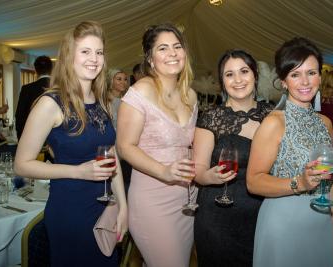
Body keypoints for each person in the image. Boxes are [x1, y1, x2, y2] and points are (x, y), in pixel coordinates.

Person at [14, 21, 127, 267]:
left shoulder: (102, 102)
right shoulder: (51, 103)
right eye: (85, 51)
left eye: (99, 52)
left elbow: (112, 155)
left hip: (104, 209)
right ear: (69, 56)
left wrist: (123, 207)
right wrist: (78, 171)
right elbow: (21, 165)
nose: (93, 58)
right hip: (71, 212)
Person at [246, 37, 333, 267]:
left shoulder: (326, 123)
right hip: (283, 224)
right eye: (295, 74)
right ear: (283, 81)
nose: (305, 81)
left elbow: (330, 181)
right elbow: (253, 182)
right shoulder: (274, 123)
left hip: (320, 222)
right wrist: (299, 183)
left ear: (320, 77)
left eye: (311, 73)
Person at [116, 23, 197, 267]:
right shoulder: (140, 91)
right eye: (163, 48)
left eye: (177, 46)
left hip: (188, 198)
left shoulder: (190, 95)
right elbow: (124, 146)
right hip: (153, 200)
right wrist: (164, 171)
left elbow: (189, 146)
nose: (172, 53)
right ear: (150, 58)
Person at [193, 49, 273, 267]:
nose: (238, 80)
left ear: (255, 75)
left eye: (244, 71)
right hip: (218, 218)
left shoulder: (274, 116)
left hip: (264, 216)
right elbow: (198, 171)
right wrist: (209, 176)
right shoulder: (212, 117)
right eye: (229, 74)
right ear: (222, 81)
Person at [15, 55, 53, 140]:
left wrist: (21, 139)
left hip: (32, 137)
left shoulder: (27, 89)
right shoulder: (60, 88)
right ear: (51, 70)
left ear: (35, 70)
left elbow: (20, 116)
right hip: (55, 138)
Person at [107, 68, 132, 194]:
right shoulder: (105, 101)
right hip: (111, 145)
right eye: (119, 79)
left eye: (125, 79)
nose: (123, 82)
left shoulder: (128, 101)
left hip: (125, 146)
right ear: (111, 81)